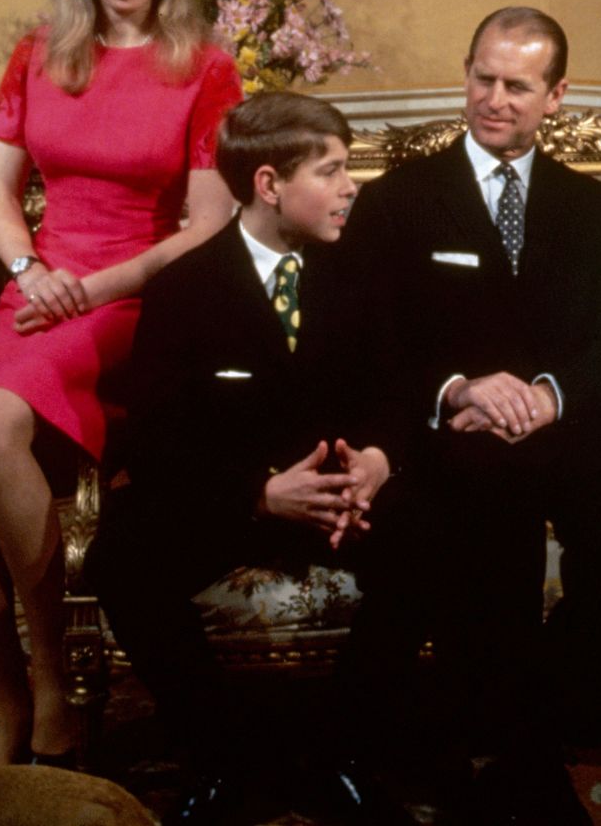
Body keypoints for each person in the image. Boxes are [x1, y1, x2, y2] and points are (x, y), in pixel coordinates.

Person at [319, 7, 601, 824]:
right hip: (451, 431)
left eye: (517, 86)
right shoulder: (401, 201)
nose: (495, 98)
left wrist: (550, 397)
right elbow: (369, 343)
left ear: (555, 96)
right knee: (489, 503)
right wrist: (458, 388)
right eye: (482, 78)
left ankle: (559, 700)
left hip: (560, 423)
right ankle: (507, 747)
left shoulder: (588, 209)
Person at [0, 0, 242, 768]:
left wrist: (88, 288)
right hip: (40, 289)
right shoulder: (40, 52)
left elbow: (204, 230)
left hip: (131, 296)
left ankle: (58, 685)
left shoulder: (206, 68)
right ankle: (6, 706)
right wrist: (28, 270)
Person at [83, 93, 397, 824]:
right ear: (268, 184)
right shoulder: (185, 288)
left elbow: (396, 390)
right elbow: (158, 439)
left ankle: (342, 753)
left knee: (444, 533)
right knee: (120, 558)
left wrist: (379, 461)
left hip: (344, 499)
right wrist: (257, 494)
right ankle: (218, 755)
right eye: (332, 170)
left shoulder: (361, 270)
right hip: (234, 502)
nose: (351, 186)